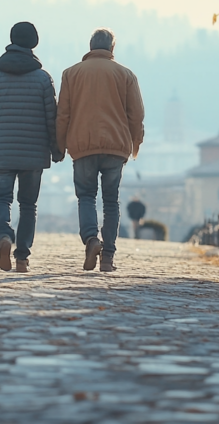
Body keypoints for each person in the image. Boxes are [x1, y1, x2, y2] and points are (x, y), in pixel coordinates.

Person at [56, 28, 144, 272]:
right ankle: (108, 258)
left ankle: (91, 240)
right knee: (111, 202)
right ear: (112, 49)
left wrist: (60, 145)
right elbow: (136, 115)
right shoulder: (126, 75)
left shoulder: (71, 74)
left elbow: (63, 114)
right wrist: (135, 144)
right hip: (116, 148)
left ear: (90, 46)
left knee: (86, 196)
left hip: (82, 146)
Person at [0, 22, 61, 273]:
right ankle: (22, 257)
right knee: (28, 205)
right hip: (33, 154)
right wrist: (56, 148)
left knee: (2, 199)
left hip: (0, 150)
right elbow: (52, 118)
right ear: (33, 43)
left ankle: (4, 236)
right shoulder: (43, 79)